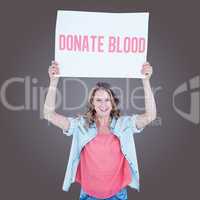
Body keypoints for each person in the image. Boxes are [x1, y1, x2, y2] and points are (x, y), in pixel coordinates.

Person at [43, 61, 157, 200]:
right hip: (88, 195)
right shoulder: (81, 126)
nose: (103, 105)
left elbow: (150, 115)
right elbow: (49, 114)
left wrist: (145, 81)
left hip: (118, 195)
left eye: (107, 100)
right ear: (92, 103)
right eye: (98, 100)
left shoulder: (124, 124)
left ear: (112, 102)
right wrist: (53, 81)